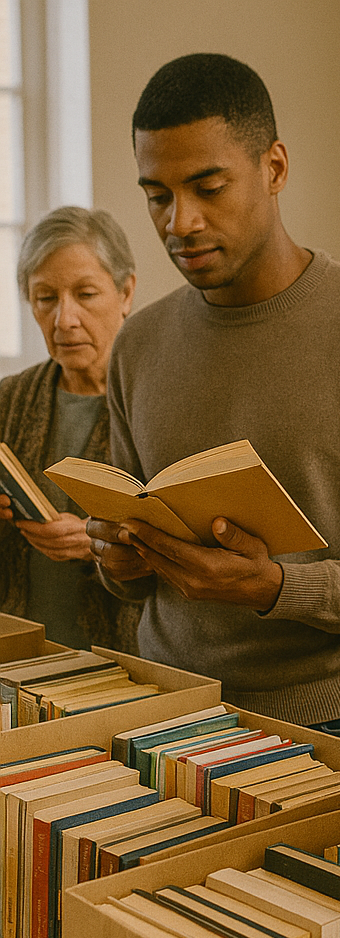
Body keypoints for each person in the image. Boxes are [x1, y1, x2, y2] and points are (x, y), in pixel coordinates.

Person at [87, 53, 340, 752]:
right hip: (167, 712)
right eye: (157, 195)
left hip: (333, 723)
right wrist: (121, 559)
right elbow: (136, 588)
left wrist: (274, 587)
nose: (181, 222)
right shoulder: (138, 344)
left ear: (276, 168)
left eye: (208, 187)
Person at [0, 207, 140, 651]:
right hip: (20, 656)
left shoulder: (155, 401)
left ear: (126, 292)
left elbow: (193, 541)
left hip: (129, 659)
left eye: (85, 294)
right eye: (45, 298)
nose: (64, 320)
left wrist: (96, 541)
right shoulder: (8, 400)